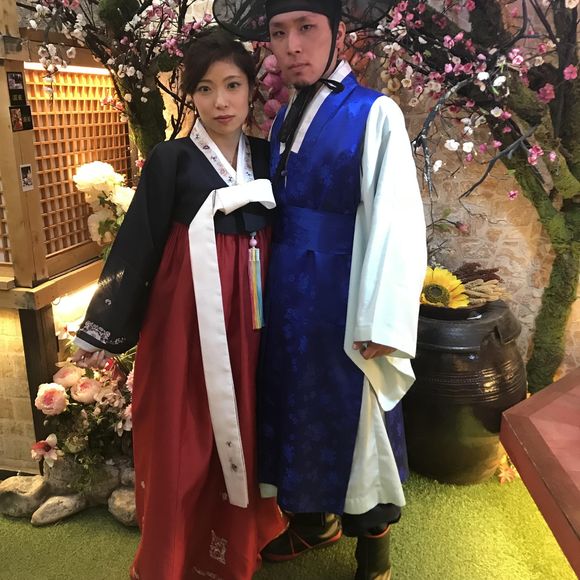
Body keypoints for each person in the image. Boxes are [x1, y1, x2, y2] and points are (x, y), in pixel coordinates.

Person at [214, 1, 427, 578]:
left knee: (357, 420)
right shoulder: (286, 114)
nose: (292, 46)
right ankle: (314, 522)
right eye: (279, 32)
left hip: (345, 292)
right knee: (293, 407)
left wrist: (384, 320)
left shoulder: (374, 112)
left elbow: (397, 220)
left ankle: (374, 552)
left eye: (307, 28)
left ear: (339, 33)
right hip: (288, 291)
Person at [71, 30, 286, 580]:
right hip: (187, 320)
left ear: (251, 90)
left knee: (245, 423)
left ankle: (232, 550)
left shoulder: (268, 156)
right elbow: (138, 243)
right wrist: (101, 328)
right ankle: (170, 558)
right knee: (183, 430)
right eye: (206, 88)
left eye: (233, 85)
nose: (221, 102)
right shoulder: (172, 159)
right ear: (191, 96)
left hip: (253, 321)